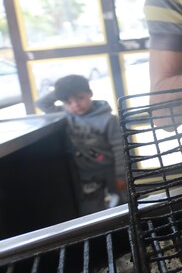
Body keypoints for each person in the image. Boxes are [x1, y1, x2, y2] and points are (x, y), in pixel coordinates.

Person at [36, 75, 126, 215]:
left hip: (110, 170)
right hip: (85, 174)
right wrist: (62, 91)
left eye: (80, 98)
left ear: (89, 93)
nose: (75, 105)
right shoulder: (67, 114)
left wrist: (121, 176)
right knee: (91, 209)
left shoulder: (108, 119)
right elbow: (42, 104)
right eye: (68, 101)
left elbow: (120, 148)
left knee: (122, 204)